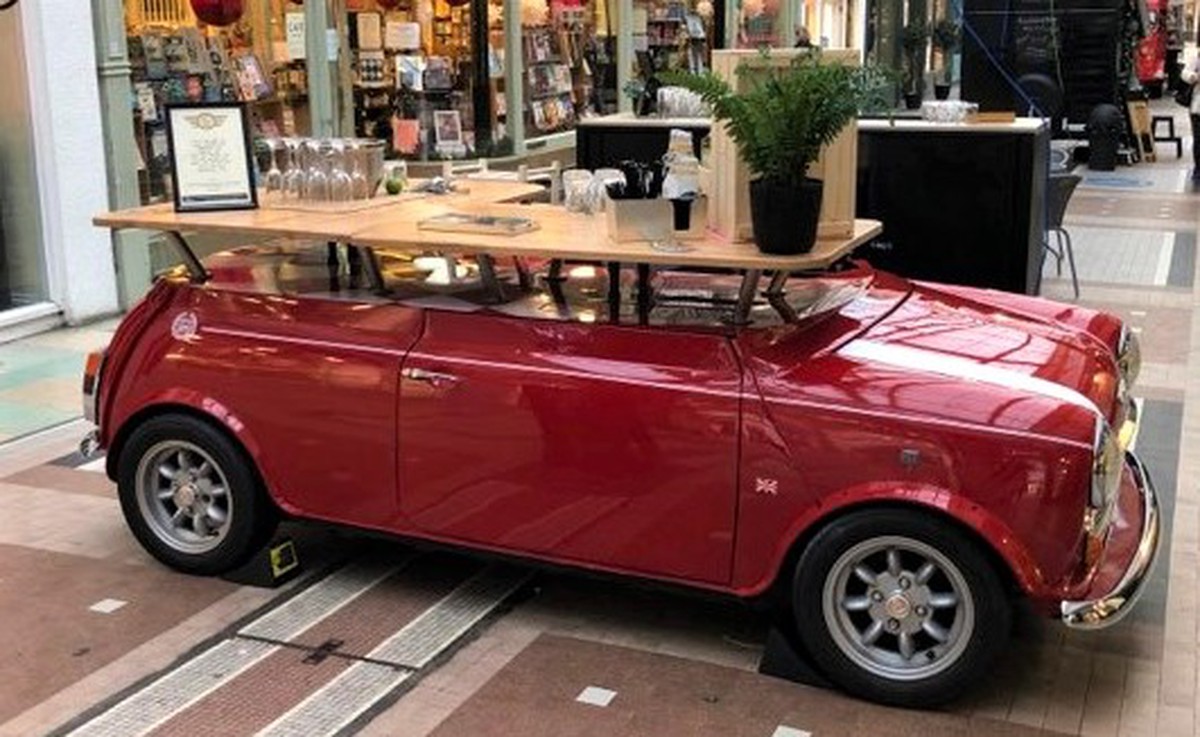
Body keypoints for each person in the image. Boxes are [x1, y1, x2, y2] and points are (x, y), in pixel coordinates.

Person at [1183, 53, 1200, 178]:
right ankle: (1198, 168)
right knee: (1198, 139)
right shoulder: (1197, 57)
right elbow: (1185, 73)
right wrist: (1194, 76)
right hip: (1197, 107)